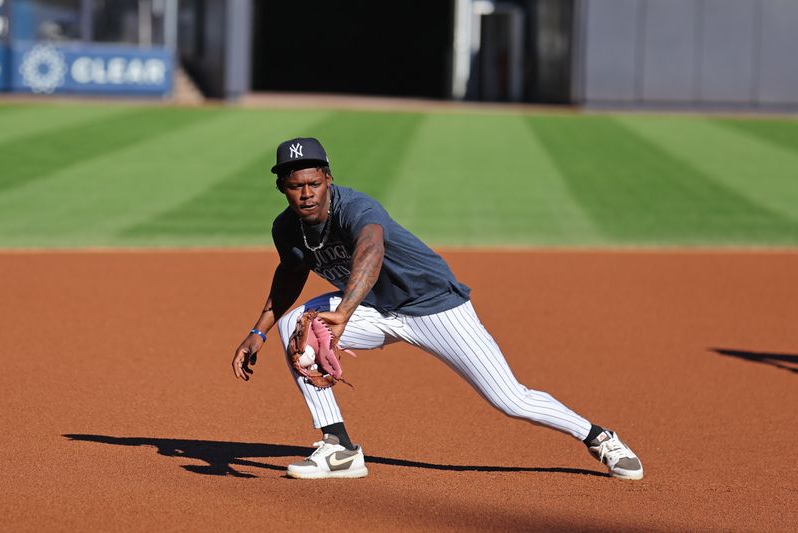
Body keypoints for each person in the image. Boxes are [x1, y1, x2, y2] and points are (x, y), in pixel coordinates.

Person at [231, 137, 644, 481]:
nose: (305, 193)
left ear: (328, 179)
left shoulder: (357, 209)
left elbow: (371, 249)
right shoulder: (286, 227)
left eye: (313, 183)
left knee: (509, 398)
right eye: (295, 185)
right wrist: (259, 330)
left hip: (434, 306)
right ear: (282, 188)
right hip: (375, 308)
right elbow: (290, 273)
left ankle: (599, 437)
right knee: (297, 329)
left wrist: (344, 311)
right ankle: (340, 447)